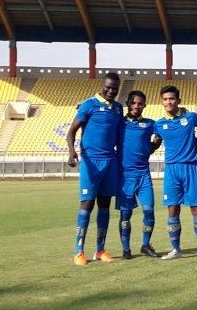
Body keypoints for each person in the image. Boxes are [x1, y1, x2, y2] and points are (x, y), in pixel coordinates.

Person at [67, 72, 124, 266]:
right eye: (108, 87)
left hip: (110, 161)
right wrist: (71, 151)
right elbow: (72, 131)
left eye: (114, 89)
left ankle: (100, 250)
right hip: (91, 161)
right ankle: (78, 251)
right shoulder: (89, 105)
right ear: (102, 85)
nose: (110, 91)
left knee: (105, 206)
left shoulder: (118, 108)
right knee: (87, 205)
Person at [152, 85, 197, 260]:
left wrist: (195, 143)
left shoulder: (190, 117)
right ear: (161, 102)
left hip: (190, 167)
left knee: (196, 209)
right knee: (172, 210)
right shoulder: (159, 124)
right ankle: (176, 249)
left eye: (172, 99)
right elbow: (155, 141)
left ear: (178, 100)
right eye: (165, 99)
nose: (169, 102)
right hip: (171, 169)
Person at [116, 90, 161, 260]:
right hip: (125, 176)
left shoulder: (150, 124)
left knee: (149, 211)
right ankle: (126, 250)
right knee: (125, 214)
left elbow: (162, 132)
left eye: (140, 103)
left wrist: (154, 145)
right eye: (133, 103)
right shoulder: (119, 123)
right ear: (128, 103)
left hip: (144, 175)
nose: (136, 106)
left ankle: (145, 245)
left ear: (144, 105)